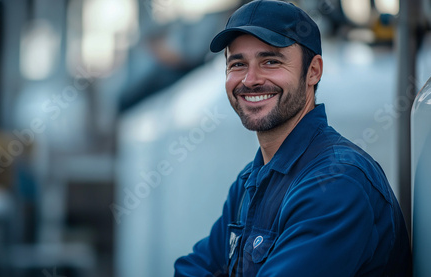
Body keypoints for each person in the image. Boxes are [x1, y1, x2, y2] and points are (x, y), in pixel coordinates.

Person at [174, 1, 412, 276]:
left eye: (270, 61)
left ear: (313, 71)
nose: (250, 79)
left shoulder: (337, 183)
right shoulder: (249, 182)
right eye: (237, 64)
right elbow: (191, 269)